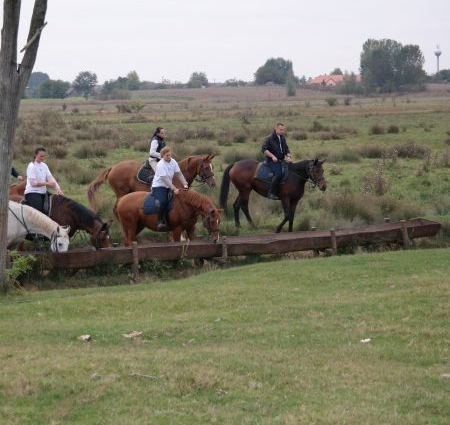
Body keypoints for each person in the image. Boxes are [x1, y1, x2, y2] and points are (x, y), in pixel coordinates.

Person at [151, 146, 188, 230]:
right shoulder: (160, 164)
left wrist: (185, 183)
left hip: (168, 186)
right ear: (162, 156)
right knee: (163, 202)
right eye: (167, 155)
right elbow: (165, 179)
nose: (169, 157)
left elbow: (179, 174)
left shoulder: (173, 161)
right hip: (159, 186)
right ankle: (160, 221)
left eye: (170, 155)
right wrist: (174, 189)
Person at [24, 147, 63, 213]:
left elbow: (50, 177)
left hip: (43, 192)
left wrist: (58, 188)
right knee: (39, 212)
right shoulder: (31, 166)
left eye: (44, 156)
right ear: (36, 155)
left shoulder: (44, 165)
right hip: (33, 192)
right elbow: (33, 183)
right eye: (41, 156)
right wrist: (47, 183)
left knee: (58, 203)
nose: (43, 158)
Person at [261, 122, 292, 200]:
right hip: (272, 161)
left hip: (281, 159)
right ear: (276, 129)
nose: (282, 131)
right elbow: (264, 149)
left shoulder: (282, 137)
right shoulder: (269, 138)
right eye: (281, 129)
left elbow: (286, 148)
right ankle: (271, 193)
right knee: (278, 174)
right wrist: (272, 156)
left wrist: (288, 156)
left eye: (283, 130)